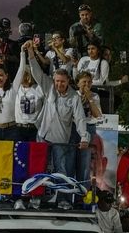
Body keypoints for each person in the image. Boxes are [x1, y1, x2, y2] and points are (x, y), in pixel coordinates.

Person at [28, 46, 89, 208]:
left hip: (61, 141)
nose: (59, 84)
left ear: (68, 81)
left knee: (63, 171)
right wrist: (31, 55)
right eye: (56, 81)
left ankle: (64, 200)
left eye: (62, 81)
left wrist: (84, 137)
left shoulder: (74, 98)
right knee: (40, 168)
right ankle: (36, 198)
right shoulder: (49, 88)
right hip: (42, 136)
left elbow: (80, 119)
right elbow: (37, 74)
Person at [75, 71, 103, 186]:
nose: (87, 84)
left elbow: (97, 115)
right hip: (74, 128)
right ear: (78, 83)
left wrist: (89, 98)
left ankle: (82, 194)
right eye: (84, 82)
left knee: (85, 161)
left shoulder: (95, 96)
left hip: (89, 128)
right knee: (71, 160)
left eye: (89, 82)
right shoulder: (73, 95)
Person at [15, 42, 45, 141]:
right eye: (24, 74)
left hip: (34, 129)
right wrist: (22, 52)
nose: (26, 77)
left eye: (27, 74)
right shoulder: (16, 89)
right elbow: (20, 68)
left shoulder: (39, 88)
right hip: (19, 129)